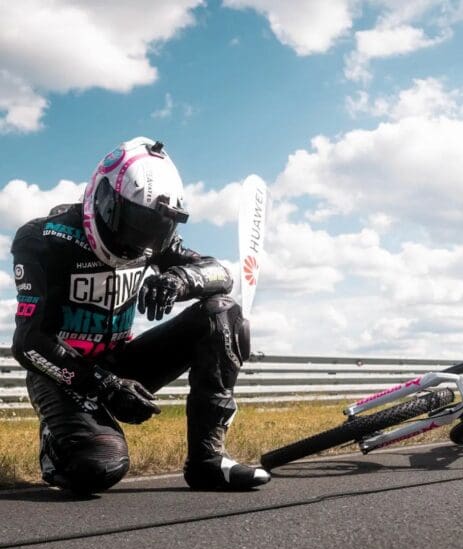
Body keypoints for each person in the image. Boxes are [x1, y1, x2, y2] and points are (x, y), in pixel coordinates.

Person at [11, 136, 270, 494]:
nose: (140, 242)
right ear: (102, 199)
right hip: (63, 373)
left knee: (224, 313)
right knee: (98, 469)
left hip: (121, 363)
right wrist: (104, 384)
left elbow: (221, 275)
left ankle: (208, 461)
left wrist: (179, 279)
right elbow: (28, 344)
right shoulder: (43, 239)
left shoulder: (154, 245)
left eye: (154, 230)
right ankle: (57, 444)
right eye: (133, 224)